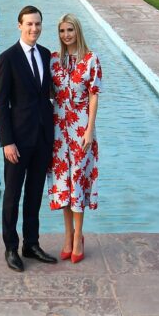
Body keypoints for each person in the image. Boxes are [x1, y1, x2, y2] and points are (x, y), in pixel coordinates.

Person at [0, 5, 58, 272]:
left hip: (42, 138)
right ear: (19, 26)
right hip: (17, 142)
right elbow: (1, 104)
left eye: (38, 24)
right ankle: (11, 247)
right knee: (12, 196)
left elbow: (49, 94)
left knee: (34, 194)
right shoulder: (8, 58)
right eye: (29, 24)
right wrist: (7, 142)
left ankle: (31, 244)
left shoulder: (45, 55)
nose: (34, 29)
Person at [48, 13, 102, 264]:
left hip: (81, 131)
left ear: (77, 31)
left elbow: (93, 95)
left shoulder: (91, 60)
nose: (66, 35)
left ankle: (79, 235)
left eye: (70, 30)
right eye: (62, 31)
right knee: (63, 184)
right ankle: (67, 234)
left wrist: (90, 129)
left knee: (78, 181)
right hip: (59, 131)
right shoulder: (54, 61)